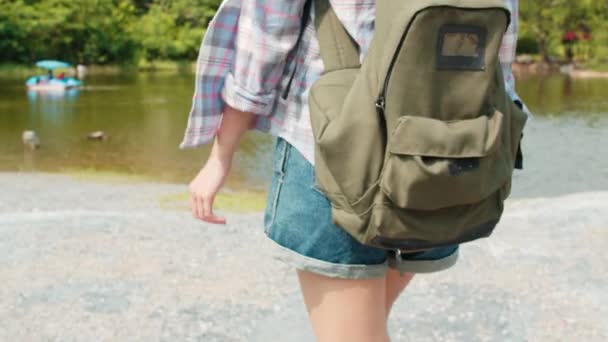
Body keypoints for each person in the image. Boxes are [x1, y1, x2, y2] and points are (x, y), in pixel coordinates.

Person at [182, 1, 529, 341]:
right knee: (368, 326)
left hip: (334, 155)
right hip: (443, 159)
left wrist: (222, 154)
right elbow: (498, 55)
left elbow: (267, 33)